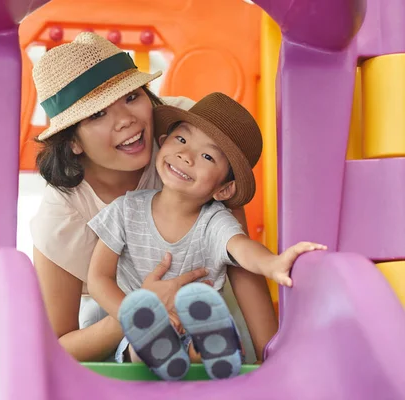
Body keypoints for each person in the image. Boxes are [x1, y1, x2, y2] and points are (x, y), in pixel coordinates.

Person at [29, 31, 278, 363]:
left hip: (206, 304)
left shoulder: (187, 133)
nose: (127, 120)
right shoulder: (62, 215)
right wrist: (142, 312)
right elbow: (56, 348)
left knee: (218, 336)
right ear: (72, 141)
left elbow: (235, 254)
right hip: (118, 322)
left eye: (132, 96)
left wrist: (273, 357)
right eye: (98, 114)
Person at [86, 92, 326, 380]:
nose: (186, 156)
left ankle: (215, 349)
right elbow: (98, 278)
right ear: (163, 144)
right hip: (139, 330)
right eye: (182, 140)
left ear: (224, 190)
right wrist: (132, 312)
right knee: (140, 348)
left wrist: (272, 264)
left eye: (207, 156)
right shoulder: (126, 209)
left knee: (198, 346)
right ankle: (164, 343)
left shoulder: (214, 221)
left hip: (193, 333)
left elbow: (242, 248)